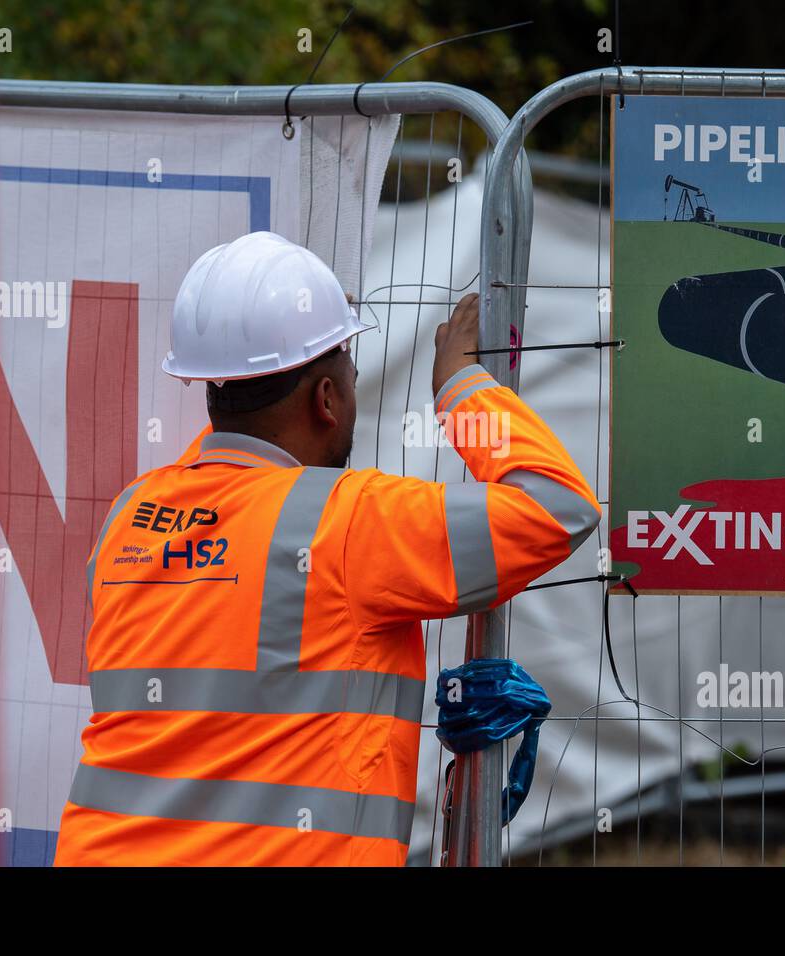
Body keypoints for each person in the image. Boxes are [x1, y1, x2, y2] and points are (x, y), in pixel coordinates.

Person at [54, 231, 600, 865]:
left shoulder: (132, 516)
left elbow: (237, 440)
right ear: (326, 400)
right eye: (348, 371)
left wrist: (282, 346)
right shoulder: (347, 522)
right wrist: (461, 389)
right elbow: (557, 507)